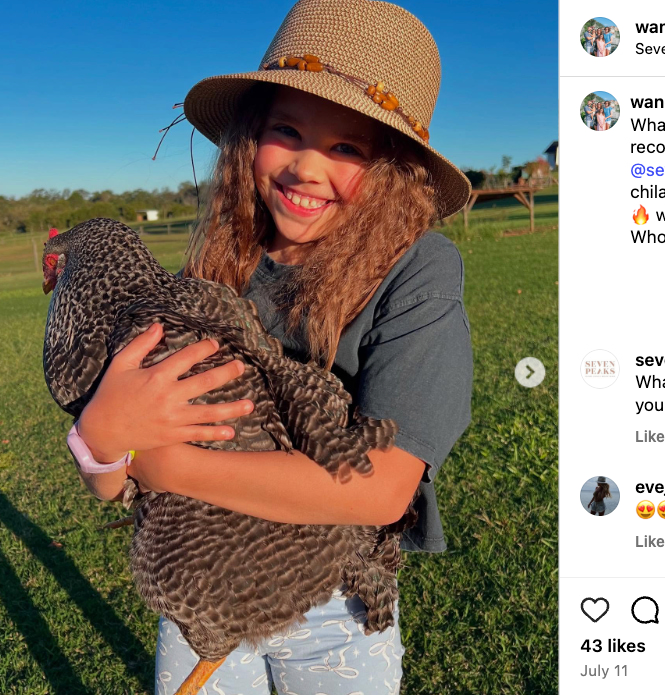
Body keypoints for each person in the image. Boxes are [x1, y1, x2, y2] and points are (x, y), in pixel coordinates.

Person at [70, 1, 473, 693]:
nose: (307, 167)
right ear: (248, 139)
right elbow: (113, 484)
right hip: (201, 589)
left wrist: (167, 465)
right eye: (287, 130)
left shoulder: (416, 267)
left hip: (335, 600)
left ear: (395, 169)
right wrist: (100, 433)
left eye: (348, 147)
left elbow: (382, 487)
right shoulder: (208, 275)